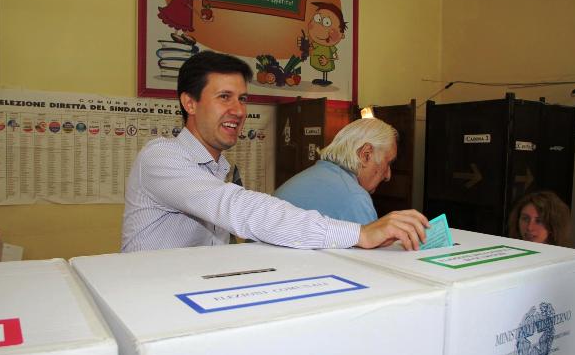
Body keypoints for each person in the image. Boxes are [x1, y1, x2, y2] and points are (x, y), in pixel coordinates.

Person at [121, 51, 429, 253]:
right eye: (224, 97)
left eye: (242, 98)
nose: (238, 110)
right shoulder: (161, 157)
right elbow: (238, 208)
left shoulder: (220, 167)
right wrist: (360, 234)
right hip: (151, 304)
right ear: (189, 103)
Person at [274, 118, 397, 225]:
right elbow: (369, 246)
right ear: (366, 155)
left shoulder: (310, 176)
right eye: (388, 163)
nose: (388, 175)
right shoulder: (354, 198)